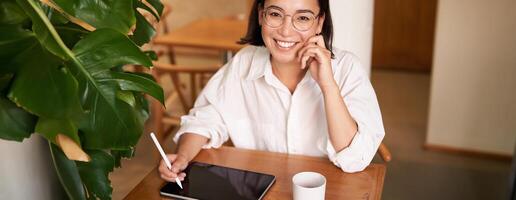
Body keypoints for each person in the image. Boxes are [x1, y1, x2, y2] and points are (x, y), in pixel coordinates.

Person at [159, 0, 385, 183]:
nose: (286, 30)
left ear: (320, 23)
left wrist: (328, 86)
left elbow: (354, 159)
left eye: (303, 18)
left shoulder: (347, 68)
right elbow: (206, 118)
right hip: (263, 189)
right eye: (275, 14)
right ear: (261, 16)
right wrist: (183, 156)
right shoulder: (244, 62)